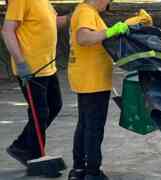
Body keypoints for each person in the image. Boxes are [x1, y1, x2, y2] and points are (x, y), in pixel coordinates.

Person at [67, 0, 130, 179]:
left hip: (88, 77)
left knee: (85, 125)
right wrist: (112, 30)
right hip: (91, 78)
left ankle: (79, 169)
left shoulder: (85, 11)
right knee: (93, 127)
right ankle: (92, 172)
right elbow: (83, 38)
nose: (109, 2)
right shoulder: (86, 11)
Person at [2, 0, 67, 172]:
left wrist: (76, 15)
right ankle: (36, 156)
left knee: (55, 105)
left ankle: (22, 146)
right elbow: (8, 31)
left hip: (47, 66)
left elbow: (52, 23)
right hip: (31, 68)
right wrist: (21, 63)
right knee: (40, 112)